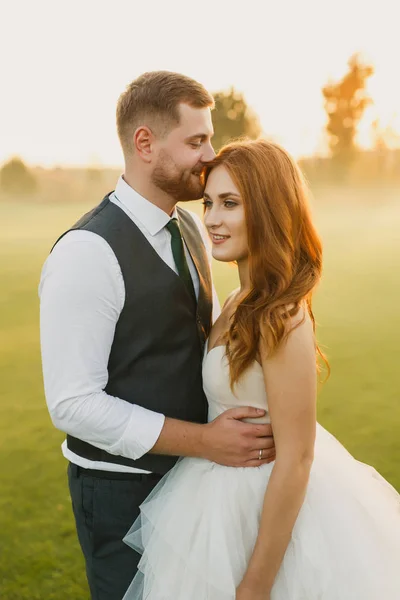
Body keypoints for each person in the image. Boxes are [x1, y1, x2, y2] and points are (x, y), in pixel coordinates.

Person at [122, 139, 400, 600]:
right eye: (209, 202)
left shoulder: (282, 315)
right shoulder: (234, 301)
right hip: (215, 495)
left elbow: (297, 457)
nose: (212, 219)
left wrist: (256, 583)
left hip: (266, 510)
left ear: (269, 209)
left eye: (230, 204)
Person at [39, 73, 276, 600]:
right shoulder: (87, 252)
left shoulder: (191, 228)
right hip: (122, 490)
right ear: (145, 143)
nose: (209, 155)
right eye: (196, 142)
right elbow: (73, 404)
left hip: (197, 481)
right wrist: (207, 443)